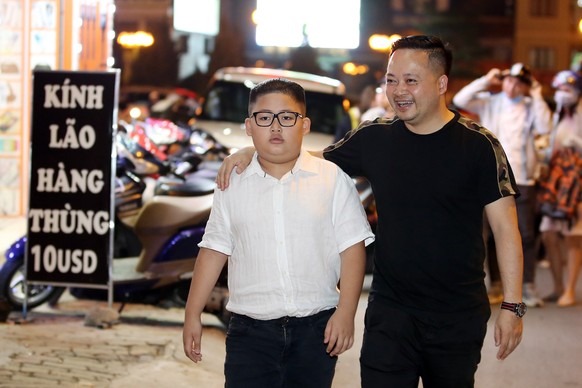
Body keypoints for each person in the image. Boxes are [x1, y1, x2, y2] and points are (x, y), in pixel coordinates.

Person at [216, 35, 525, 388]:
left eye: (410, 80)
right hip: (390, 312)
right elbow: (311, 159)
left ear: (441, 84)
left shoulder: (480, 146)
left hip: (457, 315)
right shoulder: (374, 137)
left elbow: (506, 230)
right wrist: (251, 153)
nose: (398, 90)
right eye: (391, 80)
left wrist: (512, 307)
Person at [182, 78, 375, 388]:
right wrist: (192, 314)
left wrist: (346, 312)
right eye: (264, 117)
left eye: (287, 117)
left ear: (304, 124)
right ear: (249, 125)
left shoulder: (331, 179)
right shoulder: (232, 184)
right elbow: (214, 249)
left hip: (316, 330)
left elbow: (352, 248)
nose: (275, 127)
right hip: (249, 333)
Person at [453, 62, 552, 308]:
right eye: (509, 80)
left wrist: (538, 94)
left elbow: (545, 127)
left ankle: (527, 286)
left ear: (527, 86)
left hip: (523, 177)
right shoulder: (491, 100)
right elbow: (461, 99)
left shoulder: (531, 106)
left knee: (526, 234)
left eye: (519, 82)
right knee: (491, 234)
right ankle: (496, 284)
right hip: (492, 176)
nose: (512, 85)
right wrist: (486, 80)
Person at [539, 70, 582, 307]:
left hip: (577, 182)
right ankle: (557, 286)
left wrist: (575, 143)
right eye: (560, 90)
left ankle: (569, 289)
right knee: (548, 233)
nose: (562, 95)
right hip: (557, 182)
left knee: (573, 236)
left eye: (567, 90)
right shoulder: (559, 115)